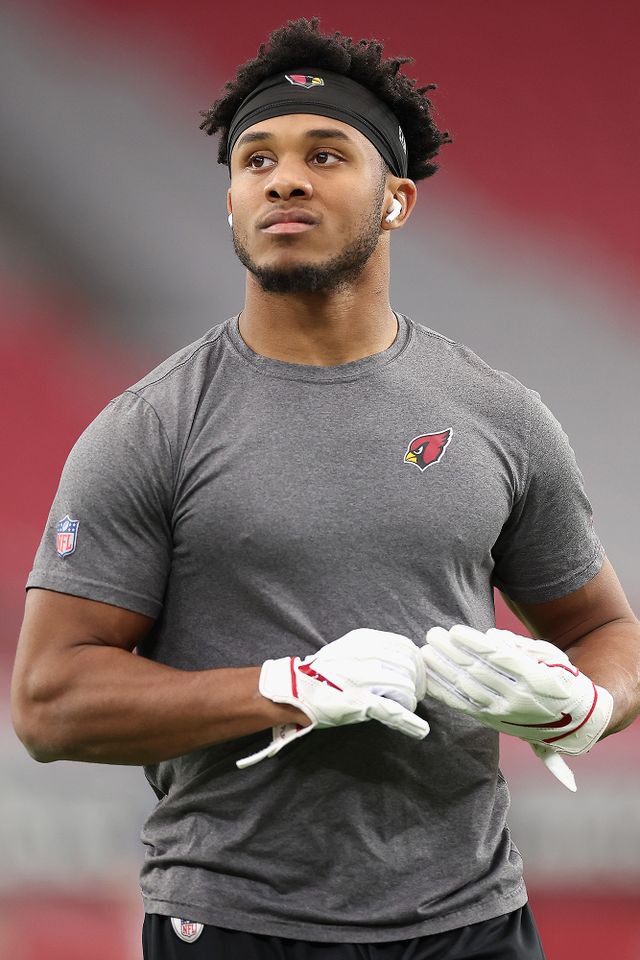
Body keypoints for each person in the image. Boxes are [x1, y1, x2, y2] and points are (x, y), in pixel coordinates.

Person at [11, 17, 640, 960]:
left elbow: (606, 633)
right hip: (236, 924)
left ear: (397, 200)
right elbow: (49, 703)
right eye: (254, 159)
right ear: (230, 201)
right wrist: (283, 687)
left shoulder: (499, 416)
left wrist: (586, 706)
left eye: (325, 154)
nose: (284, 178)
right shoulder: (150, 427)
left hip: (471, 922)